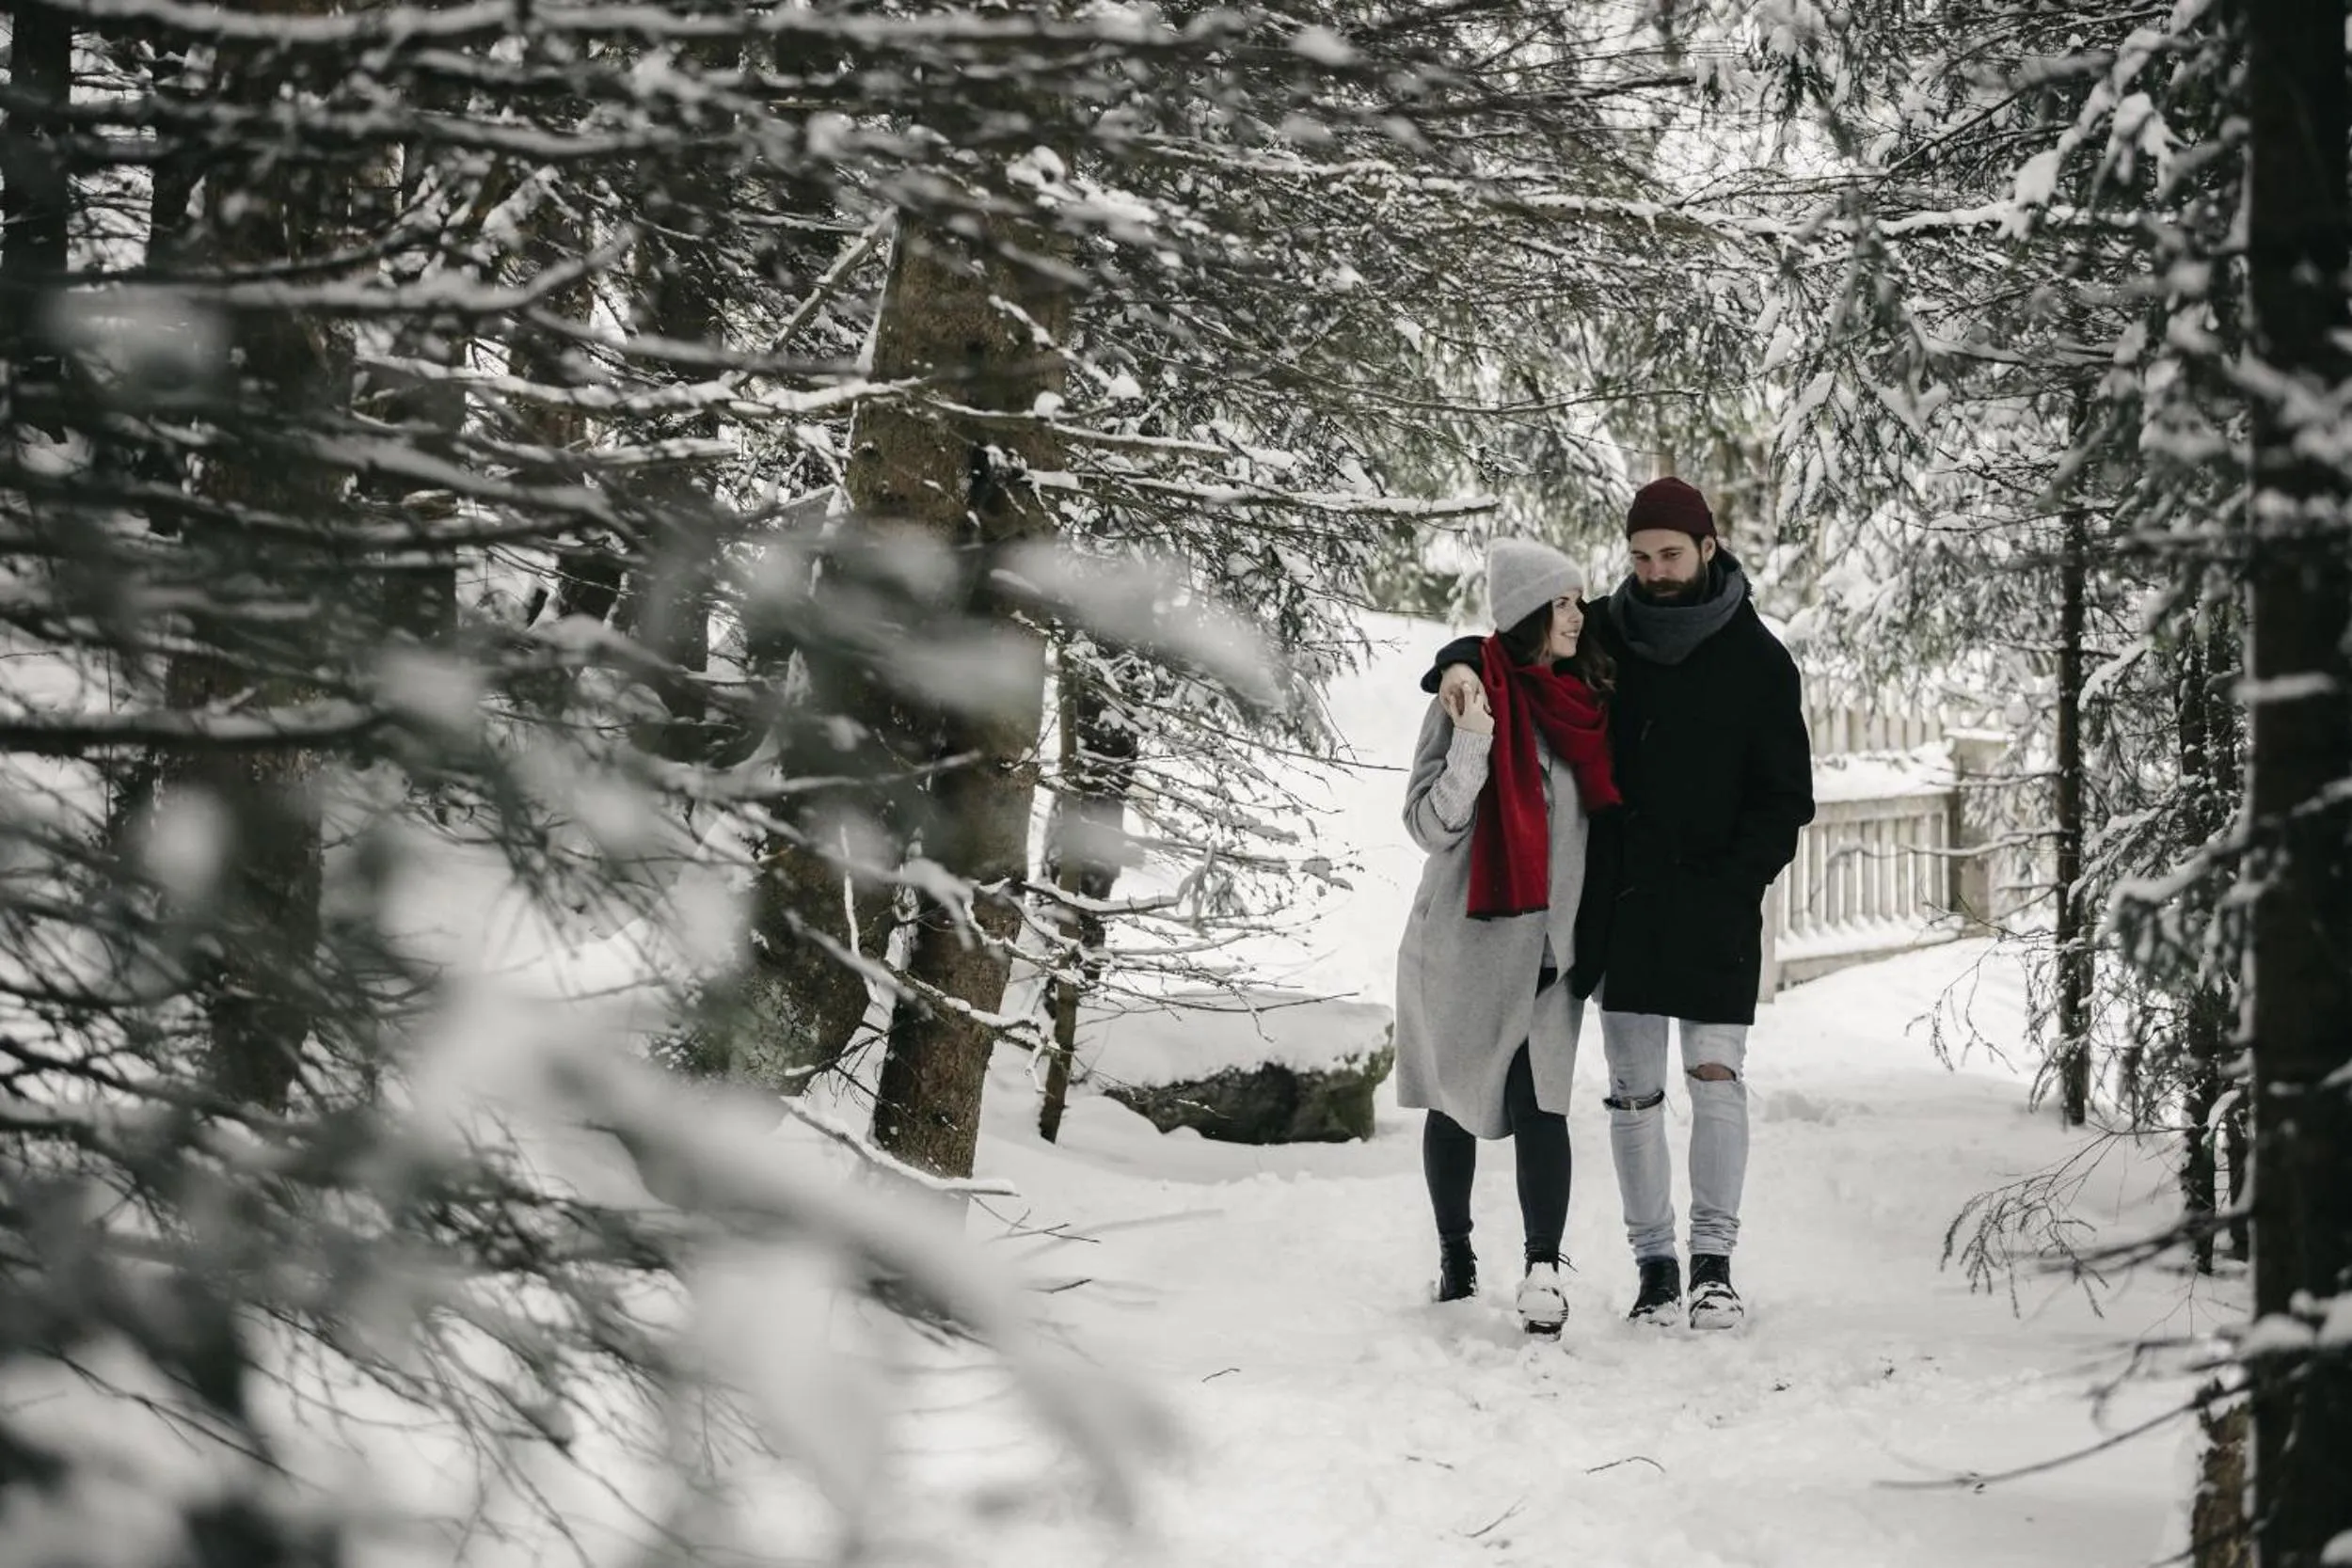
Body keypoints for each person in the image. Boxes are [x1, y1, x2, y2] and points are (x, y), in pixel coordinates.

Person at [1426, 478, 1814, 1331]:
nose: (1654, 569)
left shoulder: (1759, 659)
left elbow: (1786, 797)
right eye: (1640, 555)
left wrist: (1736, 879)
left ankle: (1714, 1266)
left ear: (1708, 549)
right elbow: (1511, 644)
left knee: (1716, 1080)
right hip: (1623, 901)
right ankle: (1656, 1269)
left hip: (1715, 905)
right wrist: (1454, 662)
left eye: (1670, 553)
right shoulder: (1605, 631)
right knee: (1633, 1093)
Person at [1395, 538, 1621, 1337]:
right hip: (1465, 943)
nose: (1578, 615)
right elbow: (1429, 826)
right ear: (1529, 612)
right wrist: (1474, 741)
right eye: (1562, 602)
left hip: (1552, 951)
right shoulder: (1464, 701)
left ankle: (1542, 1272)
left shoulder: (1588, 700)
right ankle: (1457, 1256)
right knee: (1454, 1104)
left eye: (1578, 600)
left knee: (1542, 1105)